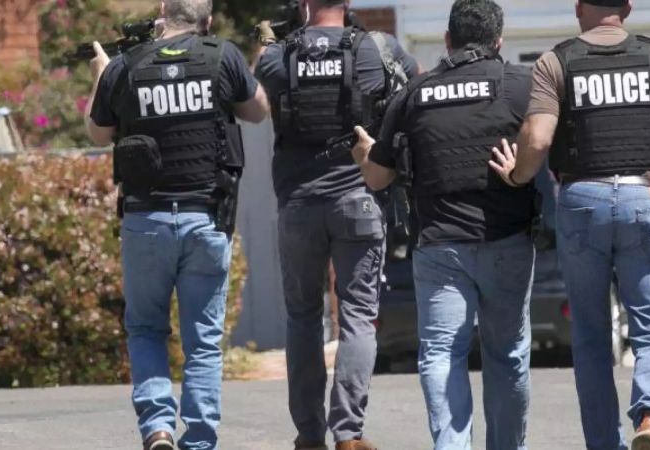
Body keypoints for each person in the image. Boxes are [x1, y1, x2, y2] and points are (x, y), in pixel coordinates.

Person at [487, 1, 650, 449]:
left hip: (582, 202)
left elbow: (540, 138)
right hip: (645, 200)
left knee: (590, 336)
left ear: (578, 7)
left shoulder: (556, 62)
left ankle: (605, 444)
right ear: (627, 7)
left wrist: (516, 175)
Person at [85, 0, 269, 448]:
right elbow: (258, 110)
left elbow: (97, 133)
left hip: (145, 220)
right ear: (206, 20)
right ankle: (200, 440)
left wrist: (100, 73)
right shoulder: (222, 55)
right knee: (203, 340)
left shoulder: (125, 67)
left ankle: (158, 428)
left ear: (163, 11)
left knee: (146, 328)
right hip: (205, 217)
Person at [351, 1, 537, 448]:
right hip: (506, 240)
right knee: (507, 356)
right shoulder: (520, 85)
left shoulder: (414, 94)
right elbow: (549, 144)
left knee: (440, 355)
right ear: (499, 41)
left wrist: (363, 149)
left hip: (438, 247)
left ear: (448, 39)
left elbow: (377, 177)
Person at [254, 1, 419, 449]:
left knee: (303, 318)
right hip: (359, 198)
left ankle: (309, 437)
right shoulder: (376, 49)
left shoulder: (279, 56)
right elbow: (415, 88)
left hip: (299, 204)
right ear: (346, 4)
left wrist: (272, 39)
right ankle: (348, 434)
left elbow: (259, 88)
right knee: (359, 318)